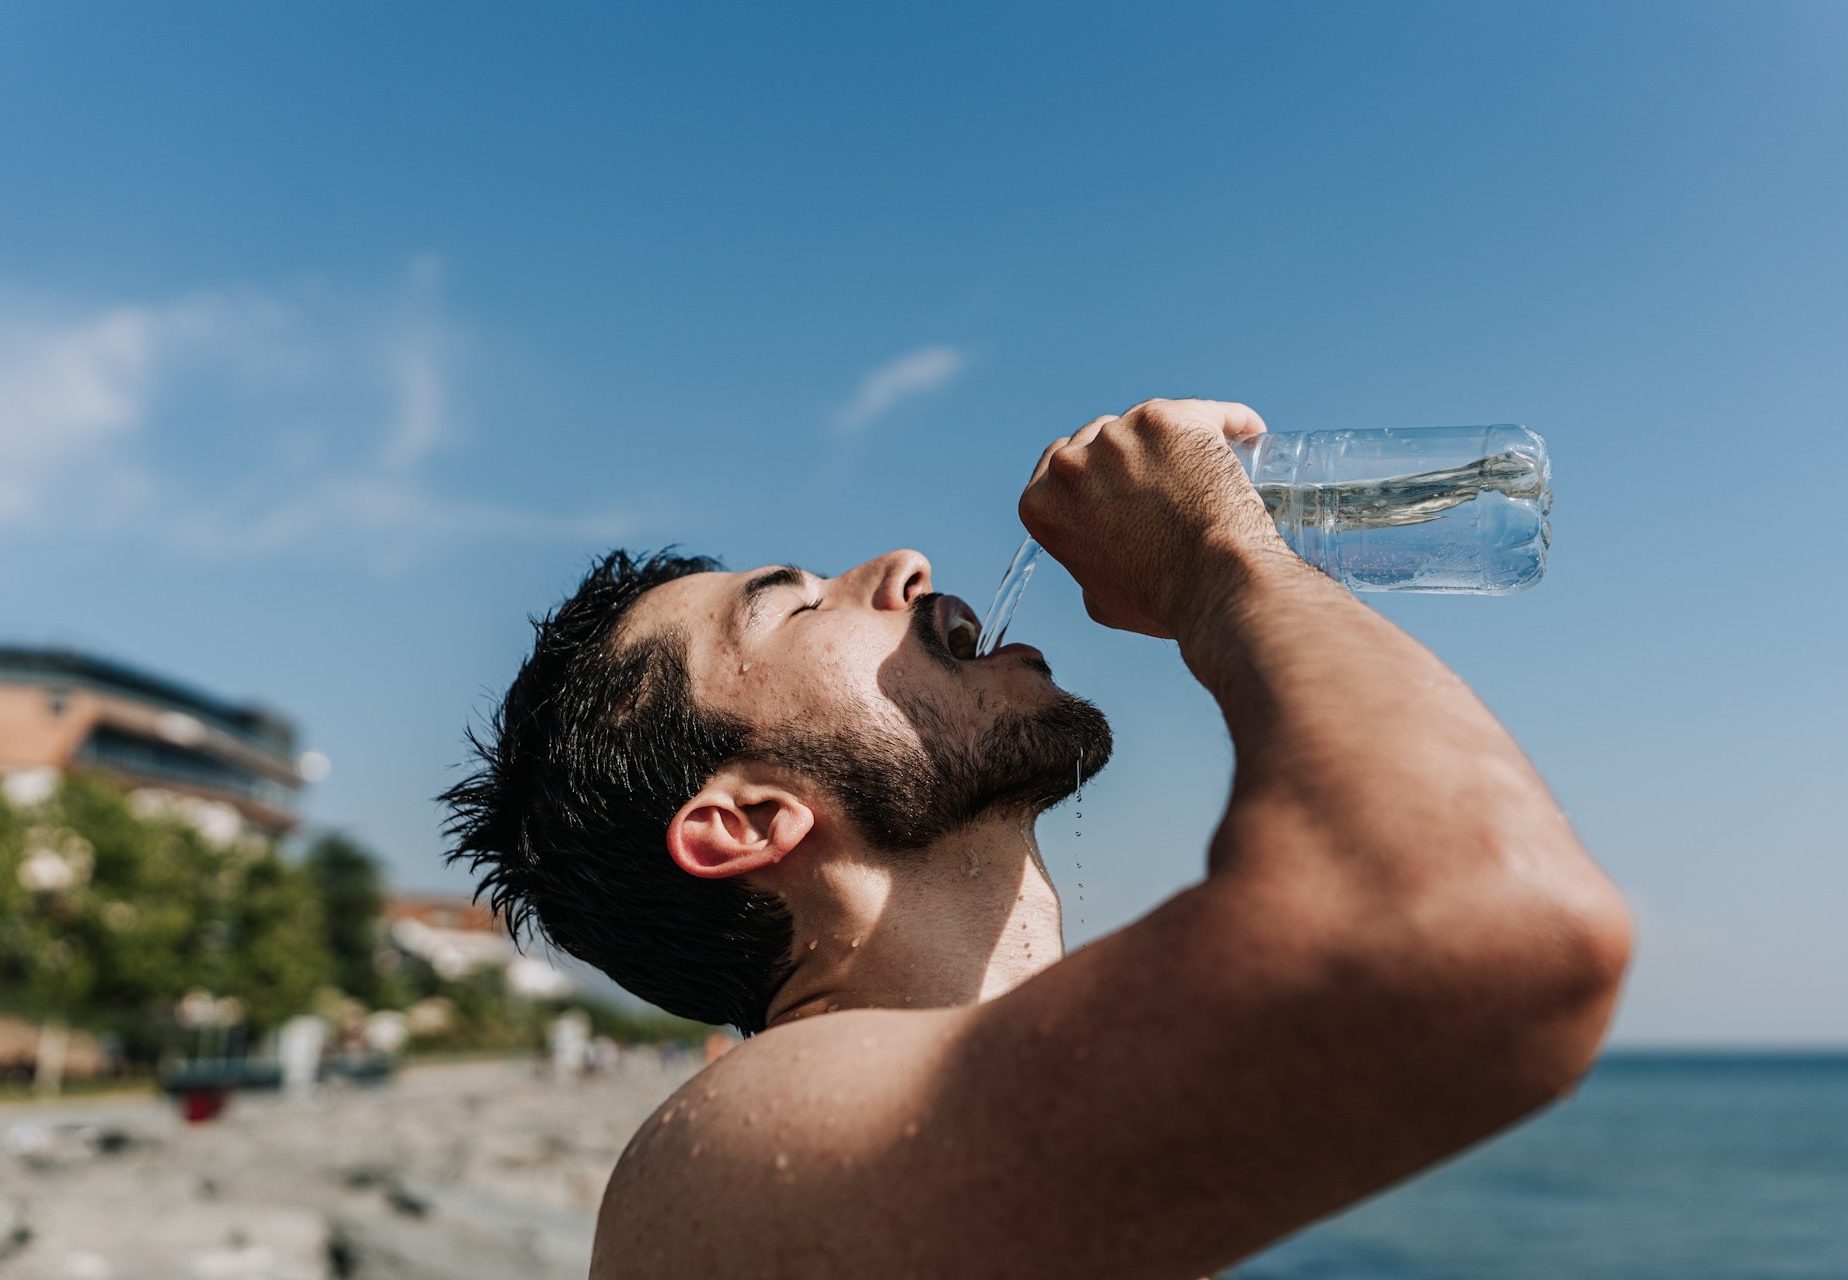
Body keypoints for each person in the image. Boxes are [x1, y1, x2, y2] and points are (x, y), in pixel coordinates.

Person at [444, 398, 1631, 1279]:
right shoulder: (726, 1158)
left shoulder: (984, 1128)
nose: (903, 563)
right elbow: (1482, 920)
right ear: (748, 820)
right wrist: (1221, 558)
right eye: (796, 602)